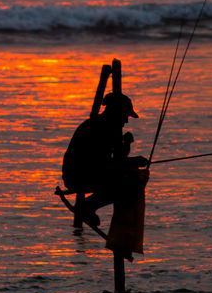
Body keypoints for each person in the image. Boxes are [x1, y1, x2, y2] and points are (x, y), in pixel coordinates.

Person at [61, 91, 147, 227]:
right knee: (129, 183)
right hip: (78, 176)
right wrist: (133, 161)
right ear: (115, 112)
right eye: (125, 115)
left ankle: (88, 207)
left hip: (88, 172)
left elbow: (116, 160)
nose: (126, 120)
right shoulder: (98, 129)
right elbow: (102, 164)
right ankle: (87, 207)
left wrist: (126, 144)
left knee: (129, 177)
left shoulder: (108, 128)